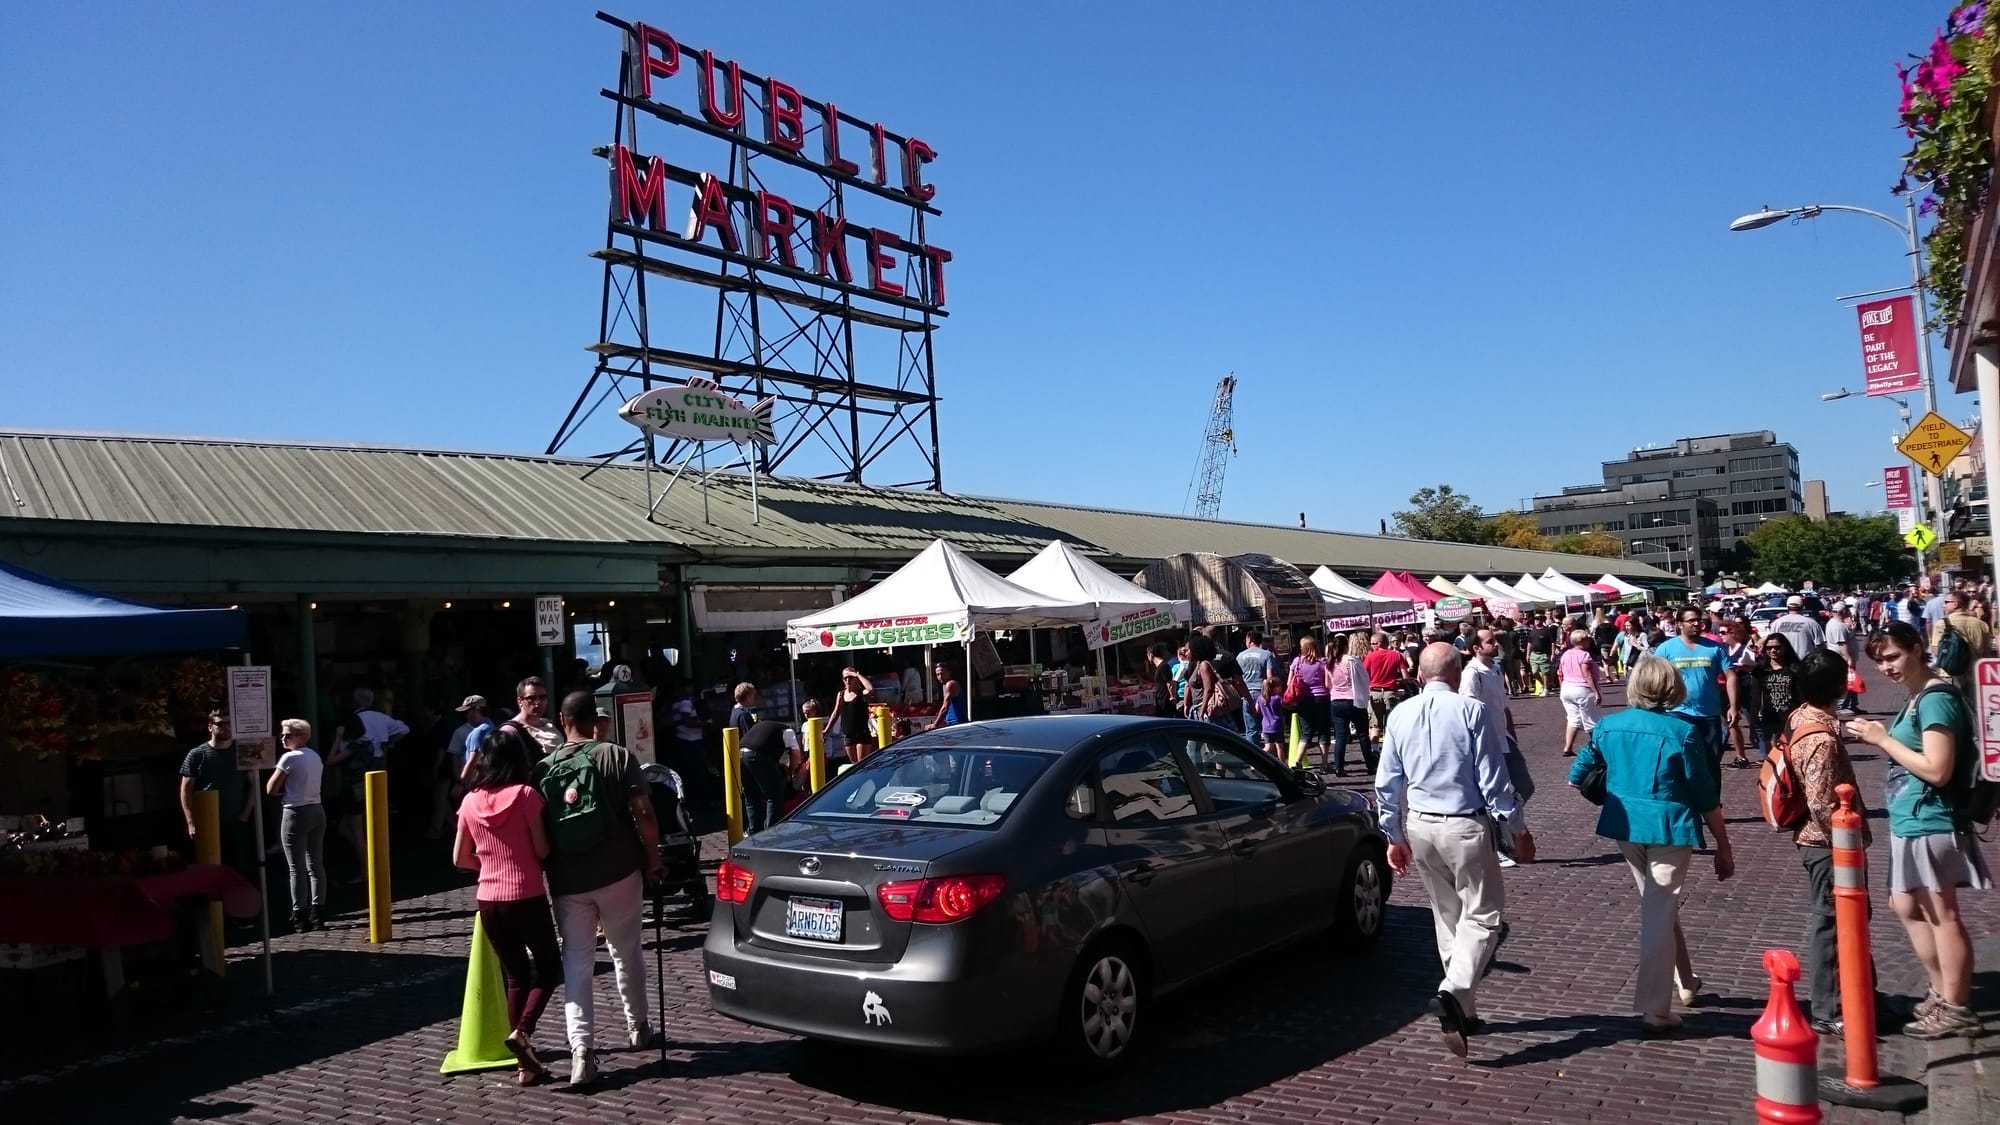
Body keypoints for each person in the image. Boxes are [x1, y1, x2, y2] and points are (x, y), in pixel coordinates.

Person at [1374, 643, 1531, 1058]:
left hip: (1421, 823)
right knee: (1482, 914)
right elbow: (1494, 781)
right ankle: (1453, 991)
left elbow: (1386, 781)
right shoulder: (1471, 711)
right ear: (1458, 673)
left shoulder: (1399, 713)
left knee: (1448, 918)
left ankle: (1465, 1008)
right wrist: (1517, 827)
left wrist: (1392, 834)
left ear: (1420, 675)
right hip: (1464, 822)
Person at [1568, 655, 1734, 1034]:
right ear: (1673, 687)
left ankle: (1686, 982)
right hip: (1668, 826)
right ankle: (1655, 1009)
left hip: (1625, 825)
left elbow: (1576, 775)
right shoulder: (1683, 732)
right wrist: (1723, 844)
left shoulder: (1609, 726)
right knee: (1659, 911)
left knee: (1659, 906)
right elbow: (1705, 794)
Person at [1846, 622, 1990, 1040]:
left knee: (1941, 913)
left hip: (1933, 816)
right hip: (1911, 816)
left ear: (1915, 649)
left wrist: (1881, 739)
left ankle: (1957, 1005)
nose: (1887, 667)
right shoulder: (1917, 696)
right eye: (1880, 661)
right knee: (1906, 906)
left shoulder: (1935, 700)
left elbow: (1938, 769)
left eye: (1893, 657)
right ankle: (1941, 991)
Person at [538, 691, 666, 1088]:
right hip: (619, 871)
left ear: (562, 720)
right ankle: (638, 1026)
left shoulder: (543, 767)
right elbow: (643, 811)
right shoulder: (616, 756)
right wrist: (654, 858)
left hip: (567, 880)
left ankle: (581, 1052)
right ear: (595, 719)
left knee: (576, 962)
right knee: (626, 950)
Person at [452, 723, 560, 1086]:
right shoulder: (527, 796)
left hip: (489, 898)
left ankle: (524, 1065)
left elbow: (460, 858)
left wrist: (489, 865)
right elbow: (543, 849)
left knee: (515, 975)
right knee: (548, 968)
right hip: (526, 893)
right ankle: (524, 1031)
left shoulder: (469, 801)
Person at [1785, 650, 1871, 1035]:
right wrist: (1848, 843)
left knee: (1842, 921)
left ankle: (1859, 994)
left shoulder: (1801, 716)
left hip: (1819, 840)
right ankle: (1831, 1006)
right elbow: (1822, 803)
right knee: (1833, 923)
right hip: (1826, 844)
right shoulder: (1821, 737)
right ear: (1838, 686)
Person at [1653, 606, 1737, 788]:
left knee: (1712, 762)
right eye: (1691, 621)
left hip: (1709, 713)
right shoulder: (1666, 648)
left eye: (1698, 620)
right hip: (1677, 712)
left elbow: (1731, 676)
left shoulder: (1715, 647)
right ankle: (1688, 803)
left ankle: (1713, 805)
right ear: (1679, 624)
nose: (1697, 624)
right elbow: (1655, 677)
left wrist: (1733, 706)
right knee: (1682, 761)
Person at [179, 709, 255, 882]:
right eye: (221, 724)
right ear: (210, 727)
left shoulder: (241, 751)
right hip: (207, 821)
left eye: (229, 723)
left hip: (236, 821)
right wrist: (191, 822)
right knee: (209, 870)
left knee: (239, 869)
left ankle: (237, 907)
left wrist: (245, 815)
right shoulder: (197, 754)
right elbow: (185, 790)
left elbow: (254, 786)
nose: (226, 727)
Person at [265, 718, 326, 934]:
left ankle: (299, 914)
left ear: (300, 736)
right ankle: (318, 912)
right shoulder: (315, 756)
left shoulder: (289, 758)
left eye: (287, 735)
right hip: (317, 809)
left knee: (296, 867)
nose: (282, 738)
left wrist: (283, 793)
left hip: (295, 811)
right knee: (316, 865)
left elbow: (271, 788)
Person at [1738, 634, 1800, 768]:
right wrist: (1753, 726)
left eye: (1777, 647)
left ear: (1784, 648)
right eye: (1769, 648)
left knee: (1793, 759)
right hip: (1770, 719)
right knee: (1773, 760)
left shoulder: (1795, 669)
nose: (1773, 651)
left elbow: (1802, 696)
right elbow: (1755, 699)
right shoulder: (1760, 671)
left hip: (1792, 720)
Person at [740, 718, 799, 831]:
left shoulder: (762, 727)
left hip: (741, 754)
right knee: (774, 795)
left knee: (751, 796)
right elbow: (796, 754)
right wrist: (791, 773)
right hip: (758, 755)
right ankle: (771, 831)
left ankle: (754, 831)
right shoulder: (788, 731)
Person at [1283, 635, 1333, 767]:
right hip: (1322, 698)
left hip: (1304, 699)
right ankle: (1324, 763)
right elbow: (1328, 683)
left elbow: (1289, 682)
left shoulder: (1297, 662)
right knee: (1323, 731)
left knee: (1307, 731)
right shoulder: (1323, 662)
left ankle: (1297, 761)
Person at [1328, 632, 1374, 775]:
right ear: (1346, 645)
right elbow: (1364, 678)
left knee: (1340, 736)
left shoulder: (1329, 663)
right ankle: (1370, 765)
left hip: (1336, 700)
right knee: (1362, 734)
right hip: (1353, 699)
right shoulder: (1352, 660)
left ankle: (1339, 767)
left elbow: (1327, 683)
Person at [1557, 628, 1602, 758]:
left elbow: (1560, 672)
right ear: (1582, 641)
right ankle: (1598, 748)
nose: (1589, 641)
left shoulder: (1565, 654)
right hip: (1582, 689)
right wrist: (1596, 691)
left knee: (1573, 719)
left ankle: (1568, 747)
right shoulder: (1584, 655)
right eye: (1587, 639)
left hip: (1566, 688)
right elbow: (1587, 674)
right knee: (1591, 720)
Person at [1362, 632, 1408, 739]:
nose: (1371, 646)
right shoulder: (1396, 655)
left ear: (1379, 643)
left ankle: (1374, 750)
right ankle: (1391, 749)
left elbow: (1364, 677)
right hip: (1391, 692)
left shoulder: (1369, 657)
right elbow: (1406, 677)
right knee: (1391, 724)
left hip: (1374, 693)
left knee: (1375, 725)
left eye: (1373, 643)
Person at [828, 668, 875, 764]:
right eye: (845, 678)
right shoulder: (841, 694)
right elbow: (835, 713)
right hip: (848, 735)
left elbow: (870, 689)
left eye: (850, 677)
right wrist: (826, 730)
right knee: (854, 764)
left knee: (862, 763)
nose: (848, 680)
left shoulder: (861, 693)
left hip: (861, 733)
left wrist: (857, 674)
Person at [506, 677, 562, 757]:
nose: (538, 702)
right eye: (531, 698)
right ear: (520, 701)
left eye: (542, 697)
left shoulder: (550, 725)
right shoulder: (510, 731)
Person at [1824, 607, 1863, 714]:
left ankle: (1852, 705)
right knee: (1844, 681)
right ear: (1843, 612)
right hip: (1841, 658)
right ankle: (1842, 706)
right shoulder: (1838, 625)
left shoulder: (1837, 624)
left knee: (1851, 680)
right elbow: (1841, 644)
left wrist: (1852, 629)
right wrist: (1849, 658)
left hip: (1842, 657)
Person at [1236, 630, 1276, 734]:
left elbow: (1237, 678)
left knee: (1251, 729)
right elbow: (1270, 677)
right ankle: (1267, 749)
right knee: (1267, 725)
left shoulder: (1240, 656)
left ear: (1249, 640)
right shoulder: (1267, 655)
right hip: (1262, 692)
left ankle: (1251, 748)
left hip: (1246, 692)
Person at [1773, 596, 1826, 662]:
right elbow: (1820, 646)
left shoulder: (1777, 623)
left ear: (1787, 607)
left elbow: (1772, 643)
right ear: (1803, 607)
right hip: (1805, 664)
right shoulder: (1811, 623)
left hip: (1784, 662)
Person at [1526, 614, 1559, 697]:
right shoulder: (1532, 631)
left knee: (1545, 672)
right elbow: (1529, 643)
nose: (1537, 621)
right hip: (1534, 654)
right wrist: (1528, 654)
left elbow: (1552, 643)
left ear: (1542, 620)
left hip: (1544, 654)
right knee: (1534, 672)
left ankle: (1546, 689)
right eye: (1535, 619)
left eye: (1538, 619)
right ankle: (1544, 684)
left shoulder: (1547, 630)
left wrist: (1552, 654)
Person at [1256, 678, 1285, 759]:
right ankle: (1282, 765)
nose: (1281, 688)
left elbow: (1257, 710)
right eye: (1279, 686)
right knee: (1279, 747)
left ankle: (1256, 758)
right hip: (1277, 726)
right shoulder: (1277, 698)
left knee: (1268, 747)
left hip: (1266, 727)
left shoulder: (1260, 698)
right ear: (1274, 688)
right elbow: (1284, 706)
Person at [1147, 642, 1176, 717]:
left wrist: (1172, 697)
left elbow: (1170, 683)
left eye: (1147, 655)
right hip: (1160, 702)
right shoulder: (1160, 667)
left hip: (1165, 703)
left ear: (1151, 654)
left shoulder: (1163, 666)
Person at [932, 662, 965, 728]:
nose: (940, 677)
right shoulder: (945, 685)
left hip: (957, 724)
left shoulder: (951, 684)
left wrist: (935, 725)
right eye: (937, 674)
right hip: (950, 723)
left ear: (949, 672)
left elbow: (945, 708)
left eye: (942, 673)